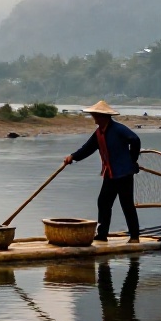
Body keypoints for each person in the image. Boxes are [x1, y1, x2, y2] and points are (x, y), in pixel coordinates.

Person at [62, 100, 142, 242]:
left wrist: (132, 159)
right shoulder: (99, 133)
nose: (93, 117)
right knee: (103, 202)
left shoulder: (118, 129)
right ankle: (102, 234)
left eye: (95, 115)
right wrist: (73, 157)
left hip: (123, 174)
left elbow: (135, 140)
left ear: (102, 116)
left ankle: (135, 236)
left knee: (126, 204)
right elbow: (88, 148)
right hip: (110, 173)